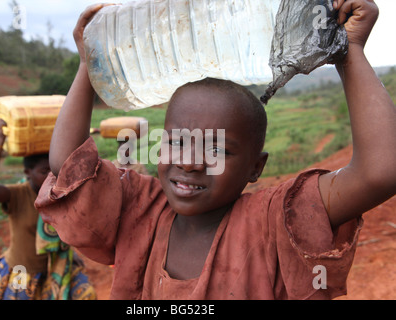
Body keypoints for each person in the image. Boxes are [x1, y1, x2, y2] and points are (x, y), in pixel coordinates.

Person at [35, 0, 396, 300]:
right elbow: (69, 168)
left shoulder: (274, 220)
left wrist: (350, 52)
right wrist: (88, 64)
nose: (190, 162)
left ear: (256, 167)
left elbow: (381, 172)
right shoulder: (140, 208)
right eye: (176, 142)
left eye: (218, 149)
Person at [0, 115, 96, 300]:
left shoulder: (60, 194)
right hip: (22, 271)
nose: (51, 176)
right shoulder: (18, 194)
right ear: (27, 172)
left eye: (54, 169)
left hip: (58, 267)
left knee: (87, 295)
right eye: (44, 171)